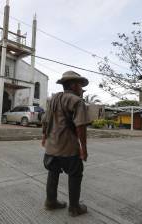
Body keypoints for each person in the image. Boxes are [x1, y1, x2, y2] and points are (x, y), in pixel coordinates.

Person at [41, 70, 90, 217]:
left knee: (53, 172)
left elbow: (45, 120)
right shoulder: (77, 101)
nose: (82, 89)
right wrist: (83, 149)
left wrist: (44, 137)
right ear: (74, 85)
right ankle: (74, 208)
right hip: (68, 147)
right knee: (75, 174)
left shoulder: (54, 99)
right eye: (80, 86)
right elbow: (80, 126)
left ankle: (51, 202)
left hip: (51, 146)